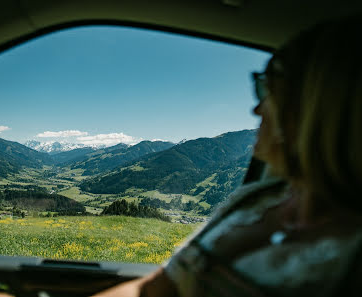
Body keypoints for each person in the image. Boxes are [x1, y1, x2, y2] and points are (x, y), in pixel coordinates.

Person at [92, 16, 362, 297]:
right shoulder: (253, 199)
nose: (256, 110)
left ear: (314, 110)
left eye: (266, 90)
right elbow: (151, 290)